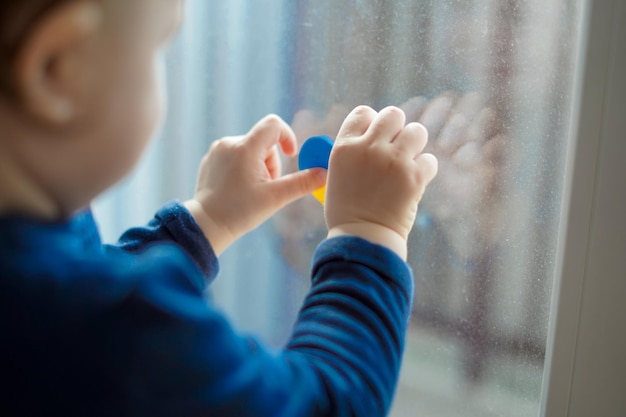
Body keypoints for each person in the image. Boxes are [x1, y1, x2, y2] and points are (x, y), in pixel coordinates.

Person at [0, 1, 438, 416]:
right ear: (55, 71)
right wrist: (367, 232)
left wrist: (207, 219)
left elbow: (75, 282)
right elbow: (327, 405)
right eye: (159, 47)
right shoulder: (124, 338)